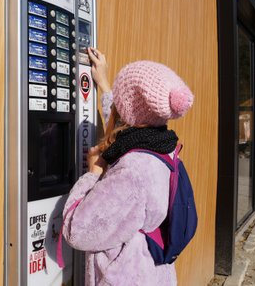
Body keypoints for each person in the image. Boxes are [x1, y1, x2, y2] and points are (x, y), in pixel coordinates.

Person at [62, 47, 194, 286]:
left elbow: (76, 230)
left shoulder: (133, 172)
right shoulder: (163, 146)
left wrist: (93, 174)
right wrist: (103, 84)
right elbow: (124, 124)